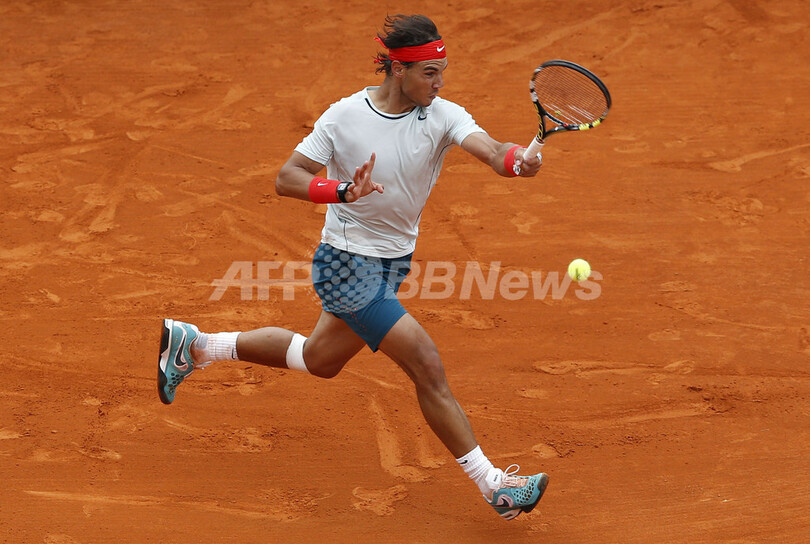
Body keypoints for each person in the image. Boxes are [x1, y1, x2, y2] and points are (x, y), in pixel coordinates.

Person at [158, 14, 547, 520]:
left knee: (318, 359)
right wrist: (342, 190)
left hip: (392, 265)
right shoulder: (343, 116)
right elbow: (287, 178)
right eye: (429, 73)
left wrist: (518, 161)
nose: (439, 83)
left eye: (442, 72)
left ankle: (195, 346)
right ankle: (495, 485)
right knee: (426, 363)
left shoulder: (444, 116)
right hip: (346, 266)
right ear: (398, 69)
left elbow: (493, 151)